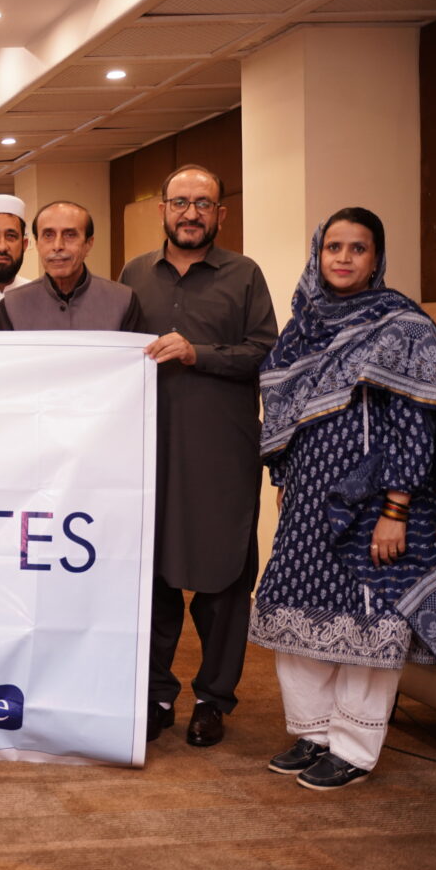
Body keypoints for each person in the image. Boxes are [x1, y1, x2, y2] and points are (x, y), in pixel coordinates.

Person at [251, 207, 436, 789]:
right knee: (300, 610)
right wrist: (286, 483)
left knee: (368, 614)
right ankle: (315, 733)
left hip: (373, 503)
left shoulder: (402, 326)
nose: (345, 258)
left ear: (377, 257)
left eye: (358, 248)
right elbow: (287, 414)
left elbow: (415, 426)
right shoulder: (303, 325)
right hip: (307, 498)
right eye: (334, 247)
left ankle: (354, 747)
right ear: (318, 252)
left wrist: (395, 511)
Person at [120, 165, 278, 746]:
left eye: (203, 204)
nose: (191, 213)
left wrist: (198, 354)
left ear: (221, 213)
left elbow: (265, 352)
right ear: (163, 208)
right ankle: (158, 694)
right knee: (153, 577)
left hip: (222, 455)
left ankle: (214, 699)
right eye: (180, 202)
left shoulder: (244, 276)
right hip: (149, 453)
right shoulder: (135, 273)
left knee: (224, 580)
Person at [0, 201, 141, 331]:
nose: (58, 246)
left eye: (70, 235)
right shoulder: (12, 306)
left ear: (89, 244)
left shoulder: (123, 301)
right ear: (37, 244)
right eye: (48, 235)